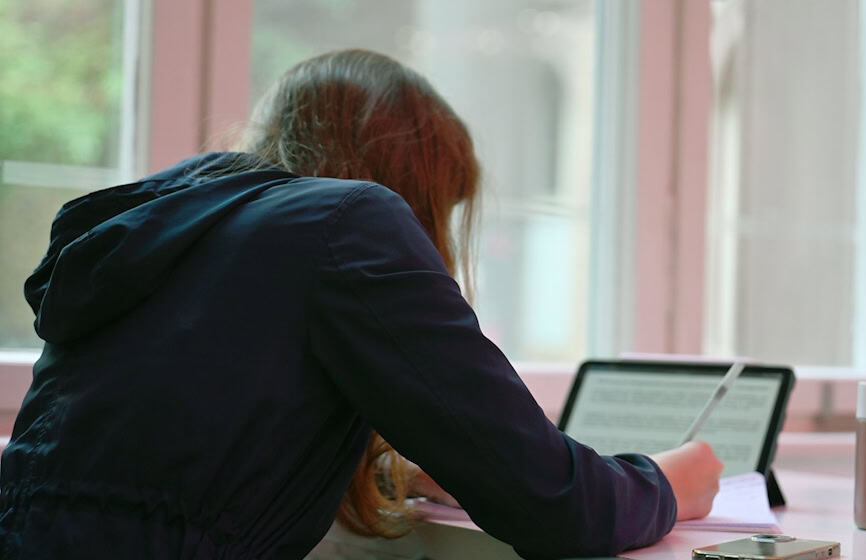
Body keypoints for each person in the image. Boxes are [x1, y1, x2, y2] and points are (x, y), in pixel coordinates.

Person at [0, 49, 722, 559]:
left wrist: (403, 468)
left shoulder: (167, 230)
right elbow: (558, 508)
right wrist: (667, 482)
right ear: (419, 189)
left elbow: (203, 440)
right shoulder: (348, 222)